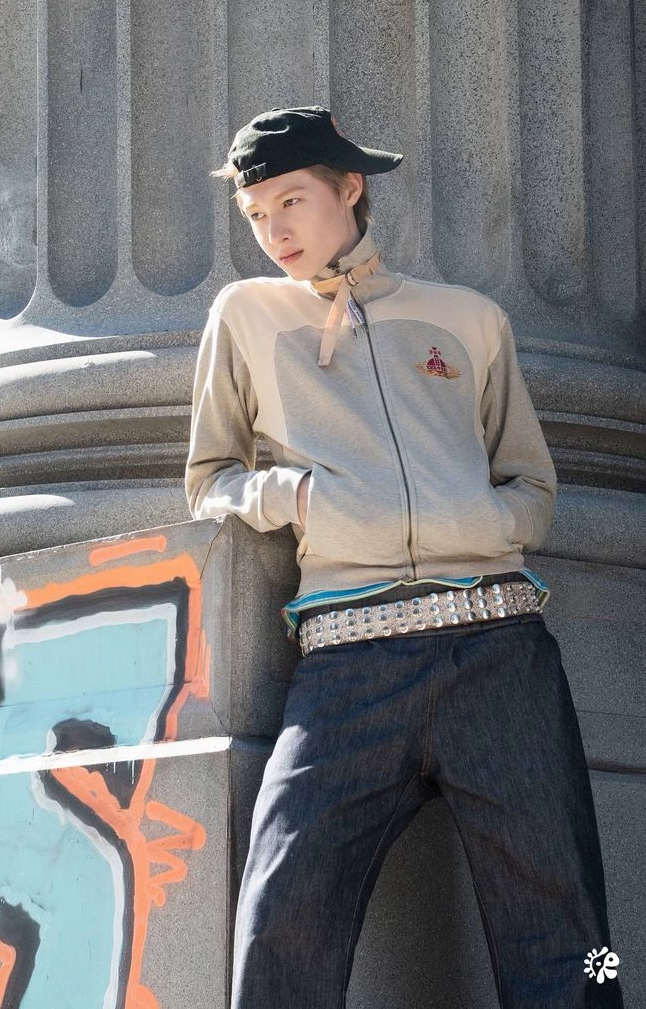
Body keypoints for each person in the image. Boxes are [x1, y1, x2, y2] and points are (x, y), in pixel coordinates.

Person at [184, 106, 623, 1008]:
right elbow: (210, 479)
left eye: (292, 201)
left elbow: (531, 482)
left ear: (350, 188)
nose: (274, 231)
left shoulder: (469, 319)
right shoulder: (245, 316)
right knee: (279, 910)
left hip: (500, 652)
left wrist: (485, 521)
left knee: (572, 924)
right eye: (257, 213)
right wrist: (298, 497)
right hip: (346, 662)